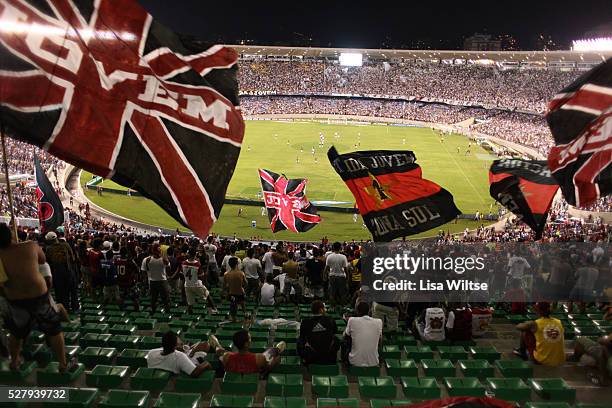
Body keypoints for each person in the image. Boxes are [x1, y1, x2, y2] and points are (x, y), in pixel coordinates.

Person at [0, 223, 76, 373]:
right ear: (11, 235)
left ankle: (14, 362)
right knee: (54, 330)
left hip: (15, 300)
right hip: (39, 297)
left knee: (16, 333)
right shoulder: (30, 246)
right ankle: (62, 364)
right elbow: (42, 260)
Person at [146, 331, 220, 377]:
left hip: (160, 377)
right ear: (175, 347)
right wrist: (206, 364)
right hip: (184, 367)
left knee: (197, 346)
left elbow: (166, 350)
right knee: (205, 345)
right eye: (179, 344)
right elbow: (195, 373)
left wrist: (181, 348)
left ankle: (193, 348)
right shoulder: (179, 356)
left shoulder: (151, 352)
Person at [513, 302, 565, 366]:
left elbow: (518, 327)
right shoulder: (558, 322)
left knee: (525, 332)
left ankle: (522, 352)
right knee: (537, 334)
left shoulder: (535, 324)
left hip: (543, 361)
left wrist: (527, 323)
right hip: (560, 360)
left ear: (538, 311)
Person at [220, 329, 286, 373]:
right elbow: (267, 368)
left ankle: (276, 349)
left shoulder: (227, 356)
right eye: (250, 338)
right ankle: (277, 349)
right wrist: (275, 361)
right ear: (246, 344)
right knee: (279, 347)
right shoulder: (259, 358)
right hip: (255, 380)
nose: (251, 340)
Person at [44, 231, 78, 311]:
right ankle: (75, 307)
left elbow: (48, 262)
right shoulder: (66, 245)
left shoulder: (49, 249)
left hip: (58, 274)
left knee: (61, 293)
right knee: (73, 291)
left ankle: (64, 308)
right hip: (69, 271)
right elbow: (73, 258)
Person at [298, 301, 339, 365]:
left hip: (312, 356)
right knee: (336, 338)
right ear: (321, 310)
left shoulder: (305, 322)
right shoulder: (330, 320)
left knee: (300, 340)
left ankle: (305, 359)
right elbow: (335, 331)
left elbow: (302, 337)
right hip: (328, 356)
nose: (325, 310)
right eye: (324, 308)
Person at [343, 302, 383, 367]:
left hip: (355, 361)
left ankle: (345, 363)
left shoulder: (351, 320)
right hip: (374, 362)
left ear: (357, 311)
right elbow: (380, 341)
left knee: (346, 339)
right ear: (369, 311)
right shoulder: (379, 322)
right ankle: (379, 358)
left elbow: (345, 336)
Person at [182, 249, 217, 314]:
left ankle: (190, 315)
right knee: (207, 294)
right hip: (196, 284)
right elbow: (201, 275)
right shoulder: (197, 264)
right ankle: (214, 309)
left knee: (190, 303)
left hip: (187, 285)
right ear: (195, 255)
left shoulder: (183, 263)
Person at [142, 244, 171, 313]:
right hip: (160, 281)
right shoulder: (148, 260)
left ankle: (156, 312)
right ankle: (163, 312)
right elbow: (169, 269)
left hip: (155, 281)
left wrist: (145, 280)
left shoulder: (147, 260)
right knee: (159, 299)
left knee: (157, 299)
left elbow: (143, 271)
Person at [115, 247, 140, 311]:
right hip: (129, 282)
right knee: (135, 298)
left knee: (121, 297)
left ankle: (121, 310)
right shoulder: (129, 261)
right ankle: (136, 311)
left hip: (120, 282)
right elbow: (137, 269)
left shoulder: (117, 260)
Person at [223, 257, 247, 322]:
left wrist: (224, 292)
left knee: (233, 305)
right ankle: (245, 314)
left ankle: (234, 318)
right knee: (242, 303)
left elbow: (225, 285)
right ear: (236, 264)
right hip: (240, 292)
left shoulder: (226, 274)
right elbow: (246, 283)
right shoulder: (241, 273)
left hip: (231, 293)